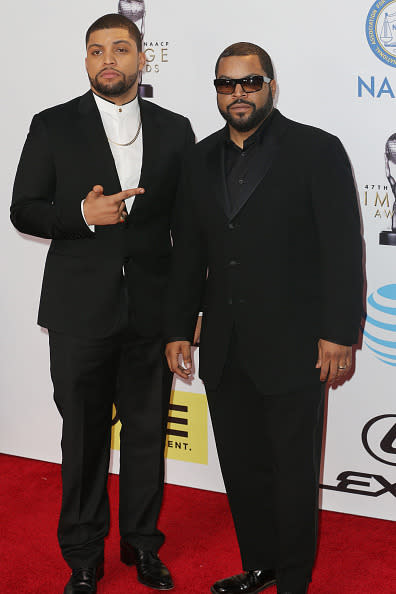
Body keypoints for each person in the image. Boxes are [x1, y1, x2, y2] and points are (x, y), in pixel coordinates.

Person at [165, 42, 363, 594]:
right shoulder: (199, 159)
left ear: (271, 86)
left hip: (298, 344)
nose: (238, 94)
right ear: (217, 91)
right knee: (244, 468)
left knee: (294, 472)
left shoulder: (316, 150)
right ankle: (260, 564)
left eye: (249, 83)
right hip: (226, 345)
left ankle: (294, 580)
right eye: (227, 84)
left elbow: (343, 248)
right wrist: (179, 326)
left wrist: (339, 333)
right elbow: (188, 254)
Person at [11, 13, 194, 594]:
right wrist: (81, 217)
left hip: (151, 313)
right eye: (96, 50)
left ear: (143, 58)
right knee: (83, 439)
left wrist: (184, 316)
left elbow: (188, 230)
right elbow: (24, 208)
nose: (107, 59)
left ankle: (142, 546)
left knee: (145, 436)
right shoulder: (52, 125)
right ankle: (84, 556)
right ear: (86, 61)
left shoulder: (175, 129)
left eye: (120, 48)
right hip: (79, 314)